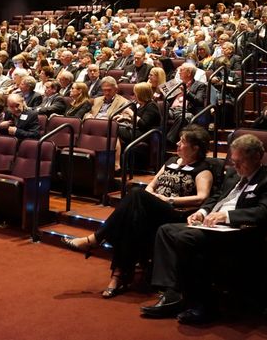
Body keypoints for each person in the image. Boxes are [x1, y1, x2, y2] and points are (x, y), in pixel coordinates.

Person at [141, 134, 267, 324]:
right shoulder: (233, 174)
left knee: (186, 237)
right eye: (233, 162)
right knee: (166, 230)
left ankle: (204, 305)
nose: (235, 167)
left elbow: (266, 212)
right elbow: (216, 197)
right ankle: (172, 293)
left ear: (257, 157)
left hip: (241, 231)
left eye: (240, 162)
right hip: (212, 225)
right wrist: (202, 212)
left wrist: (226, 216)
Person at [62, 125, 213, 299]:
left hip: (174, 211)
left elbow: (202, 197)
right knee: (131, 220)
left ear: (195, 148)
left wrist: (168, 200)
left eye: (183, 142)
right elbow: (151, 185)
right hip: (153, 206)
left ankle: (96, 240)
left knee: (136, 194)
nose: (178, 143)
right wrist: (151, 198)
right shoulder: (171, 162)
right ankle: (117, 277)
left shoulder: (202, 170)